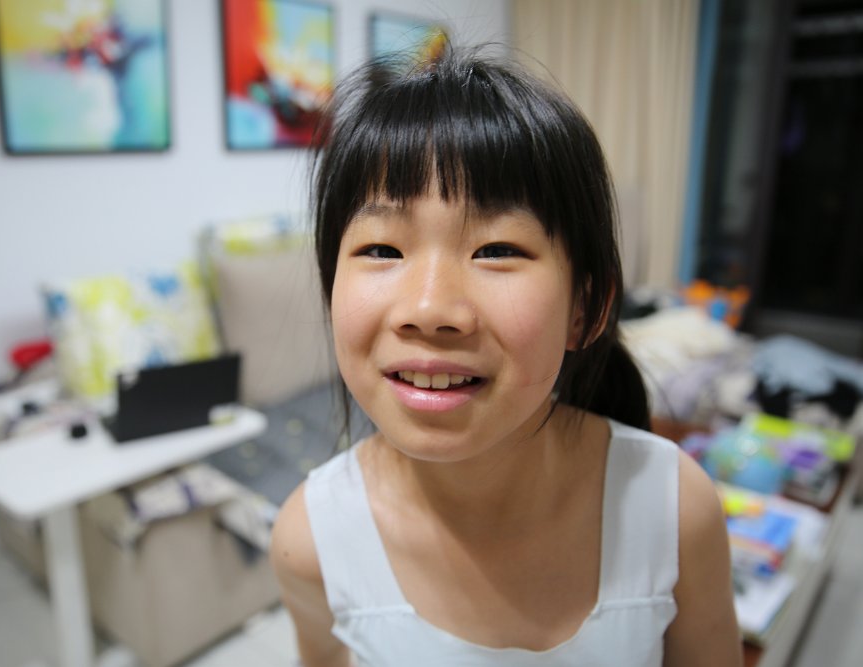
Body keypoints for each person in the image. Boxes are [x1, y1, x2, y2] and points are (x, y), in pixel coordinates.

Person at [270, 47, 742, 667]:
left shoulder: (674, 509)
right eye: (382, 249)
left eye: (495, 249)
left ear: (586, 308)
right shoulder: (312, 540)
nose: (429, 308)